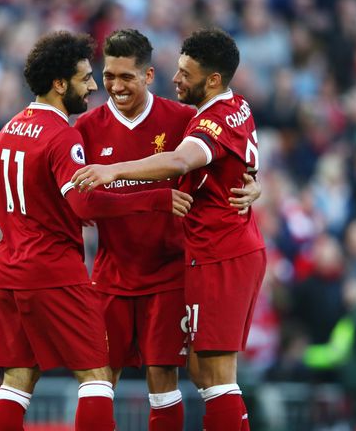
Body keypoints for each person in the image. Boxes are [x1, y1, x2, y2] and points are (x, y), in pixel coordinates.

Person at [0, 31, 193, 431]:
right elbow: (83, 204)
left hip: (8, 273)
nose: (93, 86)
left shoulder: (7, 131)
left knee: (16, 382)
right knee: (96, 377)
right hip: (55, 272)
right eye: (87, 77)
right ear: (59, 84)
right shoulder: (65, 134)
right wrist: (154, 199)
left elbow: (3, 187)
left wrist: (0, 209)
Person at [72, 28, 267, 430]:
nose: (115, 85)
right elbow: (69, 192)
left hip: (173, 272)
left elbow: (198, 160)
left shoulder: (185, 119)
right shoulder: (87, 128)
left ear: (146, 76)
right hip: (112, 272)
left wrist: (252, 182)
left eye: (126, 76)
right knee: (97, 379)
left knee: (181, 380)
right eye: (109, 75)